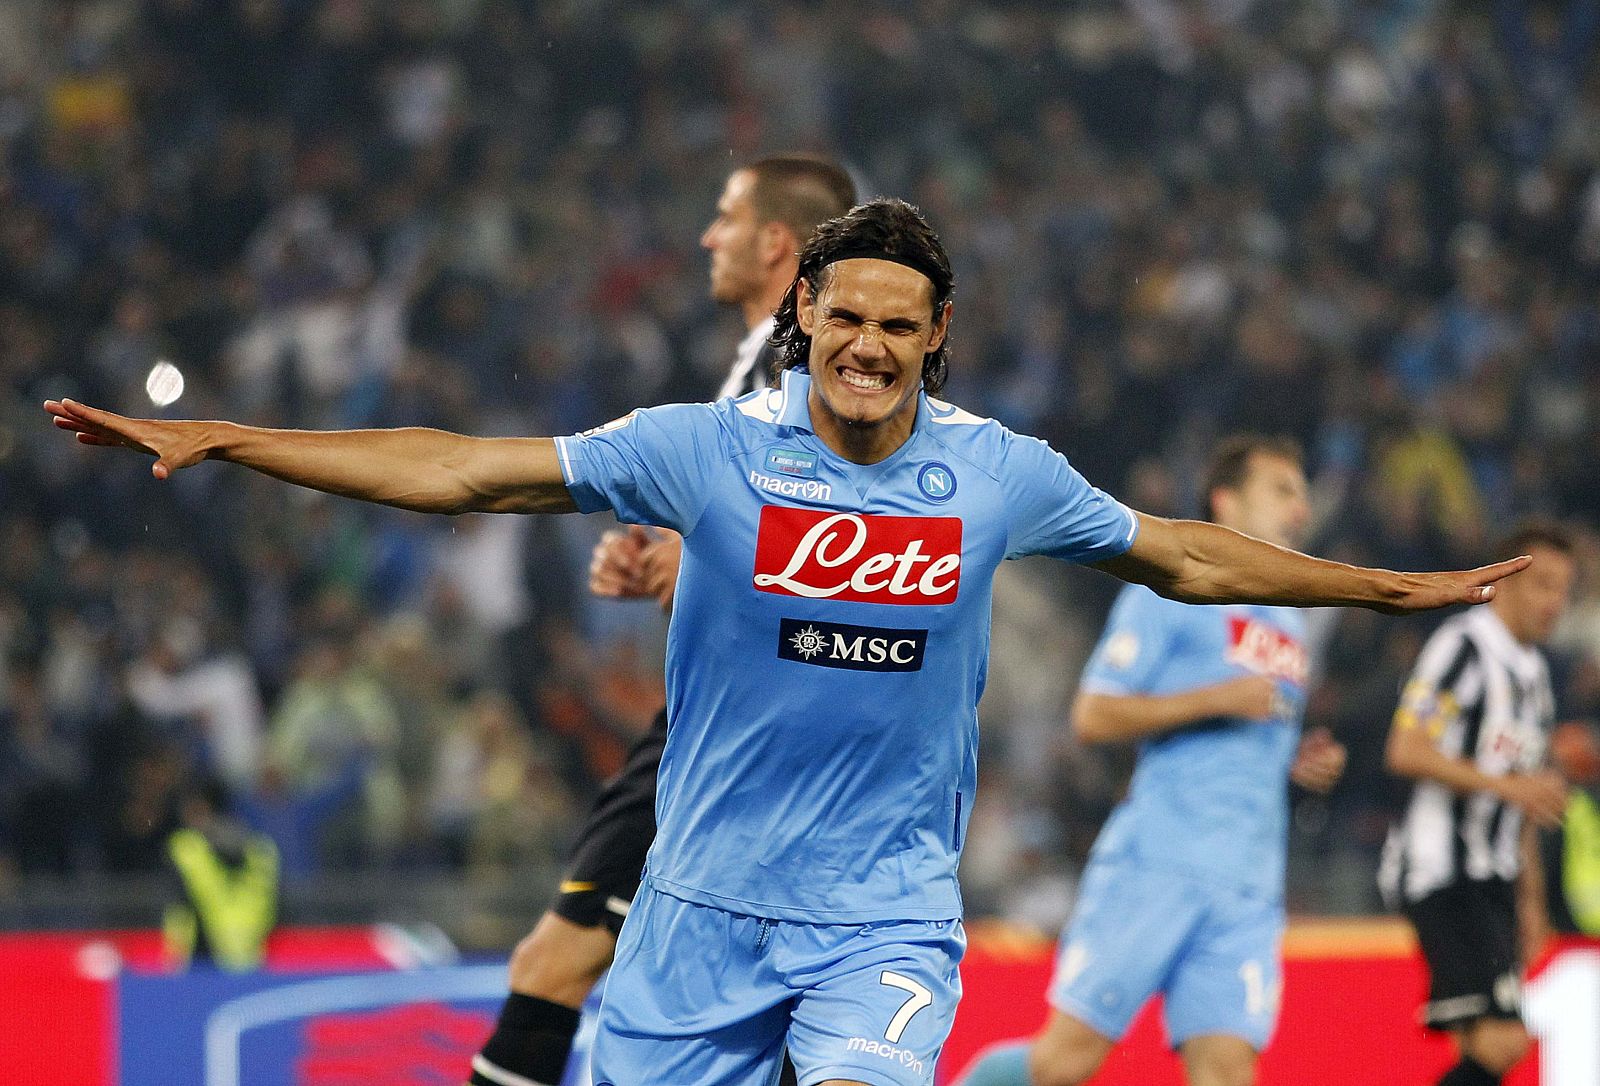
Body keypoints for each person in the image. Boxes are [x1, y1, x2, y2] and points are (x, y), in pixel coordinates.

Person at [46, 197, 1530, 1086]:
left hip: (881, 916)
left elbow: (1192, 552)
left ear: (938, 336)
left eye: (903, 325)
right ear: (806, 313)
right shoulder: (703, 452)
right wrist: (229, 439)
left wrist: (1391, 591)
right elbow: (463, 468)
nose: (871, 346)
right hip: (695, 906)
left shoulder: (1003, 470)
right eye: (848, 317)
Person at [467, 154, 856, 1086]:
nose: (706, 237)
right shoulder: (757, 373)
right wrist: (668, 561)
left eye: (725, 217)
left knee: (555, 967)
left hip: (731, 735)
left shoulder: (809, 376)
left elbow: (838, 548)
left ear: (775, 240)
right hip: (724, 721)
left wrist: (704, 560)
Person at [953, 435, 1348, 1086]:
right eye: (1282, 490)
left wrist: (1295, 759)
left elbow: (1251, 734)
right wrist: (1216, 698)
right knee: (1063, 1063)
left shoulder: (1291, 621)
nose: (1300, 510)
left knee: (1225, 1073)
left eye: (1303, 495)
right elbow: (1094, 714)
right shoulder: (1170, 589)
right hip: (1158, 863)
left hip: (1247, 882)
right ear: (1225, 501)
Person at [1380, 522, 1576, 1086]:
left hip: (1493, 878)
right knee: (1502, 1039)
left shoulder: (1536, 676)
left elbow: (1527, 801)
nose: (1555, 602)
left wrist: (1532, 902)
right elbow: (1405, 749)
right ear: (1509, 582)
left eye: (1565, 588)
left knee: (1489, 1044)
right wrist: (1509, 786)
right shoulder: (1461, 647)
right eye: (1544, 585)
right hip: (1441, 868)